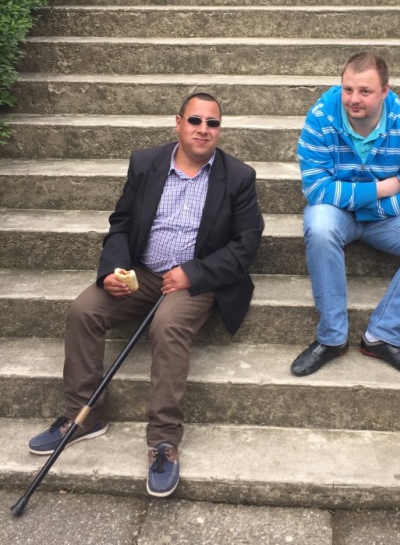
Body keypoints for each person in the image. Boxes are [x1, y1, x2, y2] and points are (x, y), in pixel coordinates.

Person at [28, 92, 264, 497]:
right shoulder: (145, 163)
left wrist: (192, 273)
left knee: (167, 324)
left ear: (219, 130)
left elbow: (246, 245)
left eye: (212, 123)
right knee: (84, 310)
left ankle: (164, 441)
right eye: (195, 120)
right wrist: (112, 271)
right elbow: (121, 223)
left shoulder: (238, 177)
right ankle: (84, 416)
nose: (203, 129)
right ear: (178, 122)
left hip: (197, 278)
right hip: (143, 272)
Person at [290, 50, 400, 378]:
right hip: (337, 215)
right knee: (320, 226)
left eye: (365, 91)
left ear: (385, 91)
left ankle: (382, 335)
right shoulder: (320, 116)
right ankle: (332, 338)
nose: (354, 99)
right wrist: (379, 189)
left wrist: (359, 205)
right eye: (348, 89)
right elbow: (316, 191)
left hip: (385, 219)